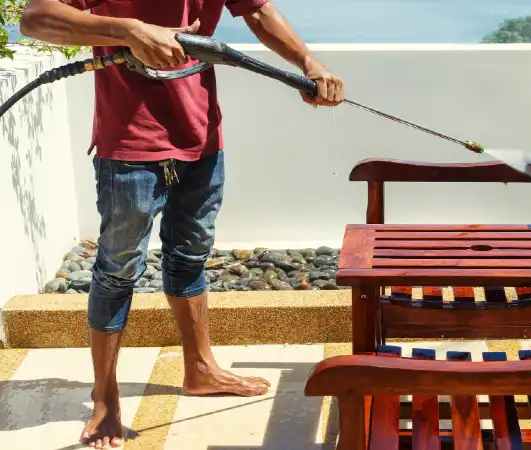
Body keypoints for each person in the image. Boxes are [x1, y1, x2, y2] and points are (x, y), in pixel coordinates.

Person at [20, 0, 343, 447]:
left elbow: (257, 10)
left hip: (201, 134)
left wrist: (309, 63)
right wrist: (131, 30)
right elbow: (35, 18)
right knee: (117, 270)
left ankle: (200, 369)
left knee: (191, 256)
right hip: (129, 142)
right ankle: (105, 396)